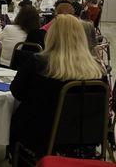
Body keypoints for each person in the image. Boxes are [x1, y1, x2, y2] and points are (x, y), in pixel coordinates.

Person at [9, 15, 105, 157]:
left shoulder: (37, 63)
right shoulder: (97, 71)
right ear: (81, 37)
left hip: (39, 137)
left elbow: (17, 91)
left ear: (51, 36)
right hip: (83, 138)